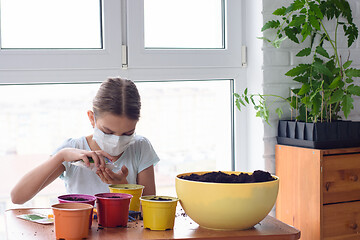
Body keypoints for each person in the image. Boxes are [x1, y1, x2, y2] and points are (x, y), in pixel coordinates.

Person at [11, 78, 159, 204]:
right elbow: (17, 197)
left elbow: (149, 210)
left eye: (128, 133)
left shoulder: (140, 147)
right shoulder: (73, 150)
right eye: (108, 132)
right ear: (91, 118)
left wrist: (123, 187)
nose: (116, 141)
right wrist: (61, 156)